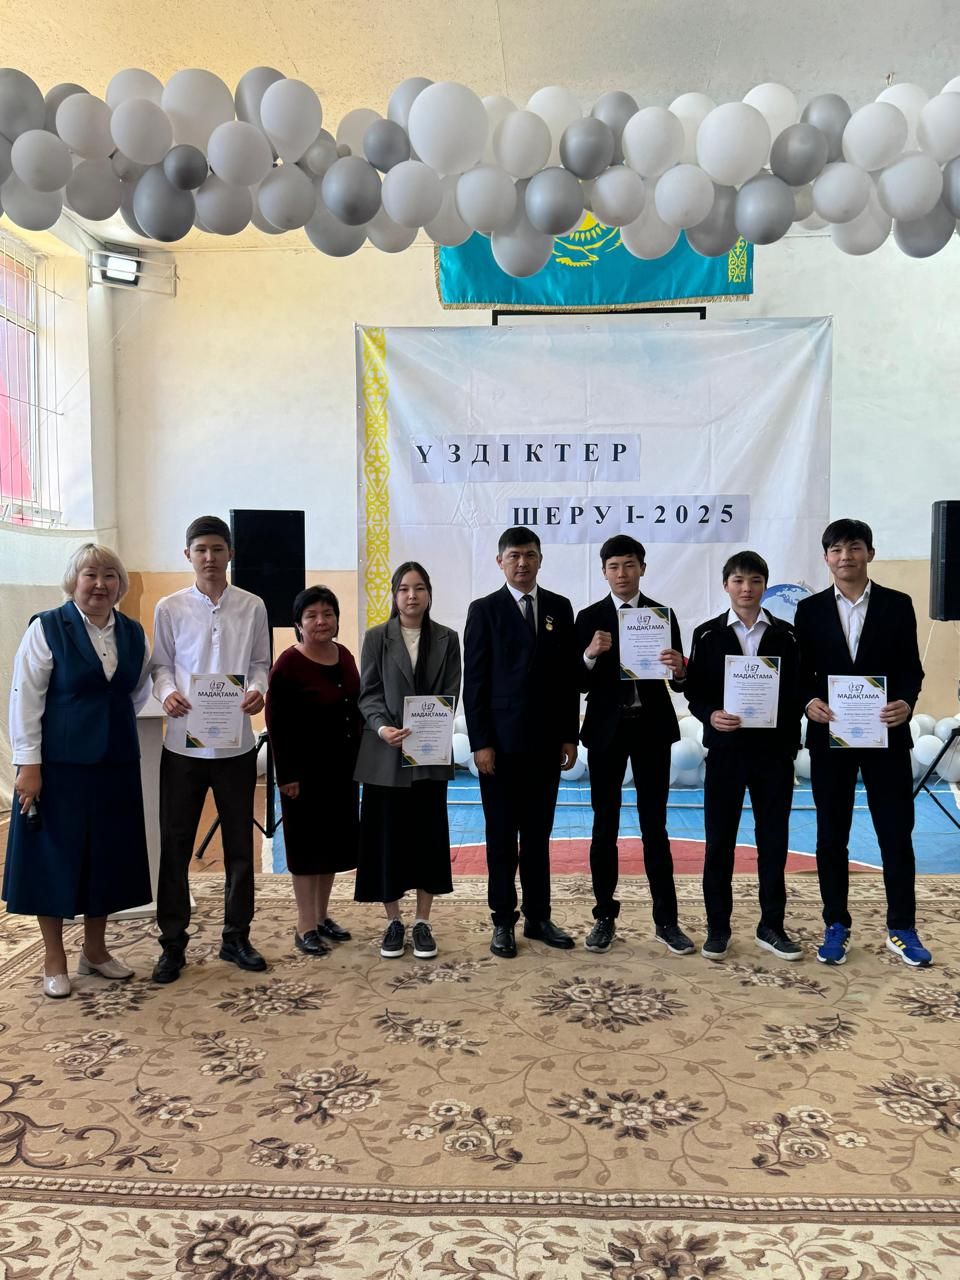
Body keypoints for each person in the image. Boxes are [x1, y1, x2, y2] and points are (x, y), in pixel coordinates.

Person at [5, 544, 152, 998]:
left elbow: (136, 691)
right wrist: (28, 764)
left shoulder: (133, 633)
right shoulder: (48, 627)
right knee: (53, 860)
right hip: (58, 767)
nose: (100, 584)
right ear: (74, 581)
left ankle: (95, 950)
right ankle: (54, 958)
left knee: (106, 857)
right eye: (91, 574)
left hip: (115, 763)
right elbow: (25, 697)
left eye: (110, 575)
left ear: (120, 585)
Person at [794, 518, 930, 967]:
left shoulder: (898, 604)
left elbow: (910, 669)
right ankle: (836, 923)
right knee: (831, 835)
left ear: (870, 553)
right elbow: (801, 672)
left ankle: (902, 927)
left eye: (854, 547)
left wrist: (906, 702)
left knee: (896, 833)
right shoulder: (809, 610)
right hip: (830, 736)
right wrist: (808, 701)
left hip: (885, 735)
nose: (845, 556)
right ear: (826, 557)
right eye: (836, 549)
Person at [150, 515, 271, 983]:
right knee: (176, 844)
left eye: (218, 549)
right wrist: (167, 694)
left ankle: (236, 936)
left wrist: (258, 689)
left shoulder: (252, 606)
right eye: (200, 549)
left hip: (235, 746)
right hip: (183, 747)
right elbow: (160, 666)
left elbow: (260, 662)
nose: (209, 557)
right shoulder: (169, 607)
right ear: (188, 555)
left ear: (230, 553)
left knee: (240, 845)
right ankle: (172, 943)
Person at [463, 526, 579, 959]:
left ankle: (538, 917)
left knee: (537, 836)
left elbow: (567, 678)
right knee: (500, 837)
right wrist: (481, 742)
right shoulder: (484, 610)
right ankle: (502, 920)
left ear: (540, 559)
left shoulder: (559, 608)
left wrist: (569, 735)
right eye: (513, 556)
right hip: (500, 747)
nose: (522, 563)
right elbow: (474, 683)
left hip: (546, 745)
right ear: (500, 562)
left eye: (529, 555)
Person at [576, 534, 694, 956]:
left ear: (642, 568)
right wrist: (589, 655)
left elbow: (679, 683)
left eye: (629, 565)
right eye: (614, 567)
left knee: (654, 827)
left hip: (651, 729)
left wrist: (680, 669)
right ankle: (604, 917)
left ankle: (667, 921)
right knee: (603, 826)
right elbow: (577, 681)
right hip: (606, 732)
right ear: (603, 572)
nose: (622, 574)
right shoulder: (589, 617)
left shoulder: (662, 615)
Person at [685, 551, 803, 962]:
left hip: (773, 755)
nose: (746, 588)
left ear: (765, 585)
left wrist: (786, 737)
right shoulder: (706, 634)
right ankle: (718, 927)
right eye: (738, 580)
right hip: (726, 754)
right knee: (719, 842)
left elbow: (797, 692)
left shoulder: (788, 636)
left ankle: (772, 926)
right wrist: (710, 714)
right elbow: (695, 692)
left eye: (755, 580)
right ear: (726, 586)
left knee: (773, 841)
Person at [354, 562, 461, 959]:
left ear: (429, 594)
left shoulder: (448, 639)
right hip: (385, 753)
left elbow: (451, 693)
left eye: (418, 588)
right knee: (387, 840)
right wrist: (383, 728)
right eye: (403, 589)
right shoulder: (376, 637)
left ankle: (422, 921)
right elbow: (368, 693)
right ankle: (393, 921)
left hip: (429, 753)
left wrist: (429, 724)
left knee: (427, 838)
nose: (411, 596)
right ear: (394, 595)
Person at [265, 586, 360, 957]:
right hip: (302, 776)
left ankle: (321, 917)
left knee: (332, 846)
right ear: (299, 623)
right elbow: (276, 723)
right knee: (306, 849)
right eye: (312, 615)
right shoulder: (288, 664)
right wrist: (286, 775)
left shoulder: (344, 655)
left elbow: (356, 707)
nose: (321, 621)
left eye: (328, 613)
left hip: (342, 770)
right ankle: (304, 925)